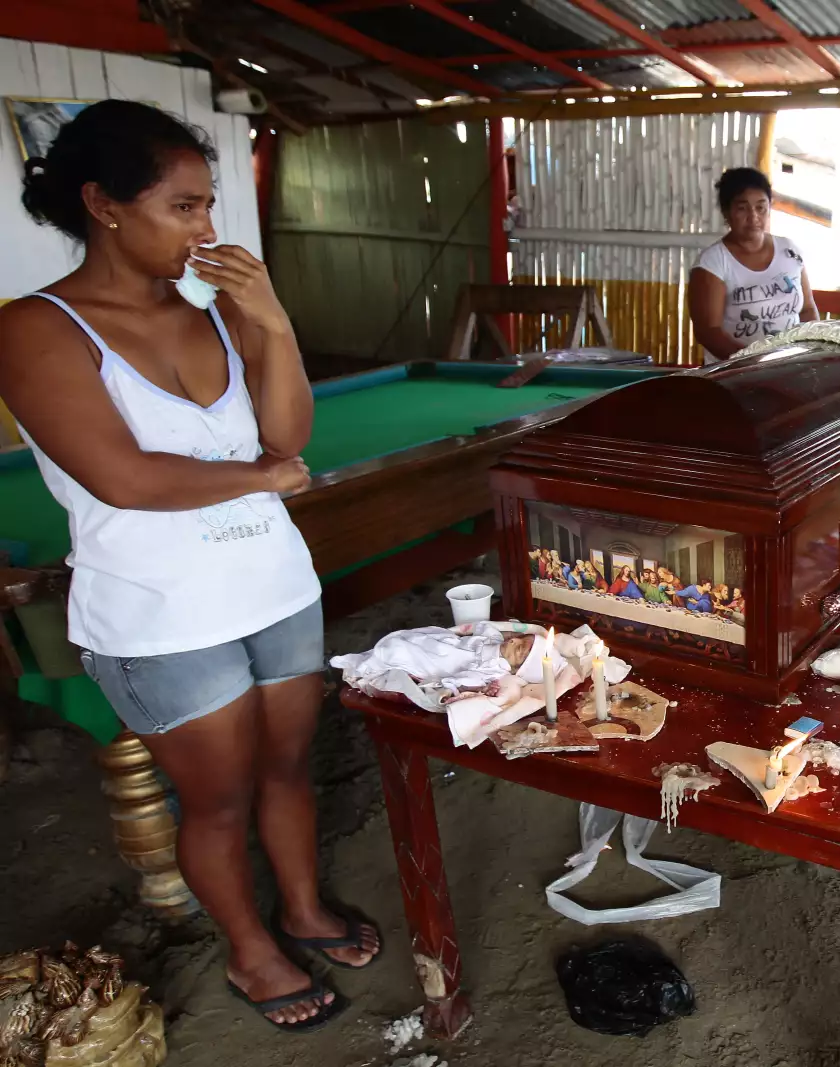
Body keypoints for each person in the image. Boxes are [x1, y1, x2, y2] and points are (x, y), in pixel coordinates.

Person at [0, 101, 380, 1030]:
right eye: (184, 205)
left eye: (208, 205)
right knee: (218, 800)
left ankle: (302, 909)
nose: (207, 229)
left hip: (275, 586)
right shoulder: (35, 329)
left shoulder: (214, 309)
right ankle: (252, 956)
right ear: (104, 205)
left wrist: (271, 322)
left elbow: (289, 431)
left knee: (290, 767)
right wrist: (257, 476)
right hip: (161, 613)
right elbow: (119, 477)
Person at [688, 167, 819, 362]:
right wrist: (753, 363)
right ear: (726, 211)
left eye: (760, 207)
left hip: (790, 366)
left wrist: (810, 351)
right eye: (742, 208)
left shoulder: (789, 251)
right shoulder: (713, 263)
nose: (753, 216)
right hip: (735, 373)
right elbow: (708, 332)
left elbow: (807, 309)